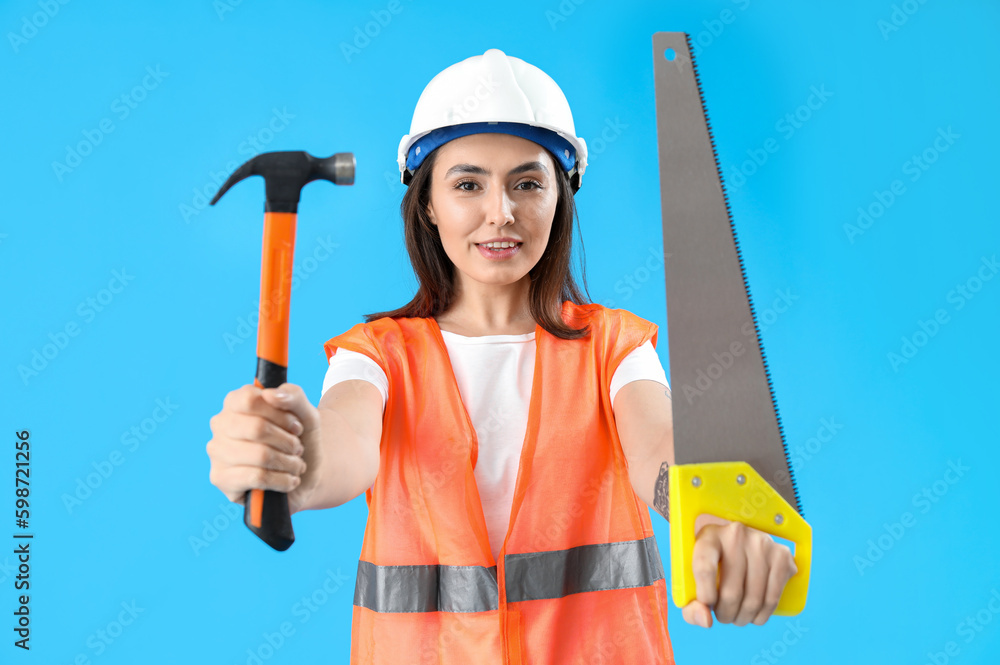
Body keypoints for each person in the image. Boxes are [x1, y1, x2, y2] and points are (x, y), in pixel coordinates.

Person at [206, 48, 797, 664]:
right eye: (467, 185)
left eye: (527, 183)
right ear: (428, 203)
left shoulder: (616, 349)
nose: (501, 213)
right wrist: (292, 459)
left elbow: (661, 454)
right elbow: (344, 451)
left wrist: (712, 518)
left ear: (560, 196)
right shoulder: (378, 356)